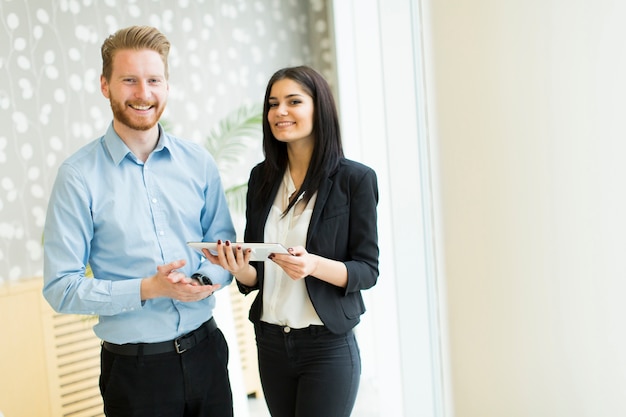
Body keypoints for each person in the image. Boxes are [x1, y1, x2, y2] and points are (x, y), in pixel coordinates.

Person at [43, 25, 236, 417]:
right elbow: (60, 288)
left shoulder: (198, 162)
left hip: (208, 356)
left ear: (166, 85)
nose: (143, 93)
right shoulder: (78, 176)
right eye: (129, 80)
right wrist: (149, 288)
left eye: (153, 80)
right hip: (136, 374)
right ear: (105, 86)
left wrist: (203, 281)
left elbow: (223, 251)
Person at [205, 65, 379, 417]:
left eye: (293, 101)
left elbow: (367, 271)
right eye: (272, 103)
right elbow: (259, 272)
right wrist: (240, 269)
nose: (280, 112)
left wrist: (313, 265)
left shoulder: (355, 180)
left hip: (326, 347)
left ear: (319, 108)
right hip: (271, 343)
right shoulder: (262, 178)